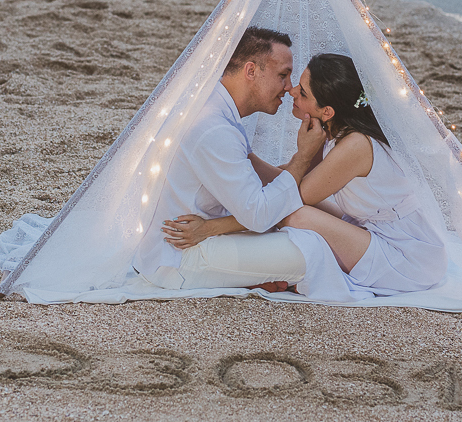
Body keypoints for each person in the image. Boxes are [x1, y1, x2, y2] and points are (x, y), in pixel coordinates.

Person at [163, 53, 452, 301]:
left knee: (299, 216)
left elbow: (288, 204)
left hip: (406, 255)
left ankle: (265, 267)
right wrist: (242, 156)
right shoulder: (332, 133)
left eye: (303, 91)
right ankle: (269, 270)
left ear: (327, 111)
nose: (291, 92)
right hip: (372, 232)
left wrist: (212, 228)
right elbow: (289, 182)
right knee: (290, 205)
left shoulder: (355, 146)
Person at [130, 27, 325, 291]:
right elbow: (258, 215)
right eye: (283, 75)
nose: (289, 88)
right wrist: (302, 158)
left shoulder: (213, 104)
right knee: (312, 249)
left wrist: (316, 178)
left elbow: (259, 183)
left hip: (185, 243)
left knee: (298, 227)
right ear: (251, 71)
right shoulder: (215, 129)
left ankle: (259, 277)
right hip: (181, 259)